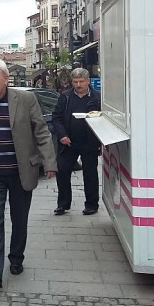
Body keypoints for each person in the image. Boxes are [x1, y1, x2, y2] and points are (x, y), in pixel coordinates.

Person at [0, 59, 56, 289]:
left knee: (19, 219)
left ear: (6, 79)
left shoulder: (25, 99)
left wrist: (49, 162)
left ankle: (16, 258)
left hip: (20, 171)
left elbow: (41, 131)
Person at [52, 68, 101, 216]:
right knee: (62, 171)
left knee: (90, 173)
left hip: (89, 141)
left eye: (81, 81)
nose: (78, 85)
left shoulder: (97, 97)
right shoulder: (65, 97)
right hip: (68, 141)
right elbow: (57, 117)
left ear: (87, 81)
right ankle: (63, 204)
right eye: (75, 82)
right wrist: (62, 135)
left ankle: (92, 204)